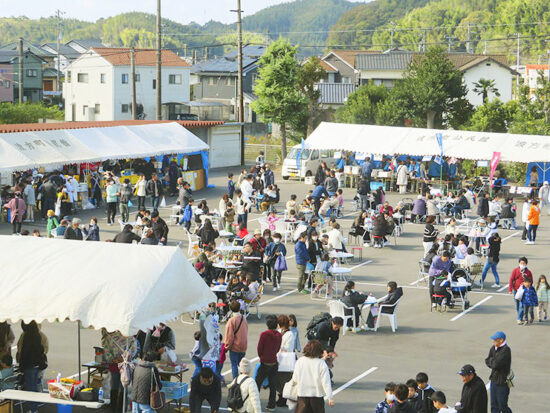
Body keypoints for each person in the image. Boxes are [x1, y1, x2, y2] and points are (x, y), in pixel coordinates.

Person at [289, 340, 334, 413]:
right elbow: (326, 382)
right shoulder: (321, 363)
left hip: (302, 394)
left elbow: (295, 378)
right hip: (317, 396)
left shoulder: (300, 361)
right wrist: (330, 397)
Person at [16, 321, 48, 413]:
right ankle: (34, 407)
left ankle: (33, 409)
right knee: (34, 386)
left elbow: (24, 352)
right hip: (37, 364)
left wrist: (21, 366)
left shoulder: (27, 336)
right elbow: (42, 350)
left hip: (29, 365)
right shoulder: (37, 335)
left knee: (31, 387)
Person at [256, 316, 282, 412]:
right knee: (273, 385)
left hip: (264, 362)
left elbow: (259, 348)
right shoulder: (279, 335)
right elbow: (278, 348)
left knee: (257, 383)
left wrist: (262, 356)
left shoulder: (264, 335)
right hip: (274, 362)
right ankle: (271, 405)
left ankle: (254, 402)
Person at [485, 331, 512, 413]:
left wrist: (492, 362)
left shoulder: (506, 350)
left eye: (495, 339)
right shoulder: (493, 348)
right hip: (494, 380)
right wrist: (493, 362)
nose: (493, 341)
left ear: (501, 340)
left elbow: (496, 365)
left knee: (502, 406)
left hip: (502, 383)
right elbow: (487, 360)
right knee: (493, 406)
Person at [275, 315, 296, 407]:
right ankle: (280, 396)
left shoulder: (290, 334)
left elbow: (289, 348)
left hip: (286, 360)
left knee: (285, 380)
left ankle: (284, 398)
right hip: (278, 359)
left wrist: (279, 345)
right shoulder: (279, 332)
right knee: (278, 380)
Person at [225, 300, 248, 380]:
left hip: (235, 346)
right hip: (243, 345)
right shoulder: (243, 318)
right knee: (241, 365)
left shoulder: (231, 321)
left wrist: (226, 347)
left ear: (230, 309)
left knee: (234, 364)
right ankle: (243, 379)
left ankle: (235, 381)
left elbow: (229, 336)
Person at [508, 257, 533, 324]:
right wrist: (510, 289)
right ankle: (520, 316)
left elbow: (531, 281)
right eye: (521, 263)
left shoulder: (528, 272)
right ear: (519, 263)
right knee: (517, 305)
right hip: (516, 290)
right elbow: (511, 280)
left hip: (524, 291)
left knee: (522, 305)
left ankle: (519, 319)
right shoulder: (515, 270)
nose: (522, 264)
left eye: (524, 263)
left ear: (526, 264)